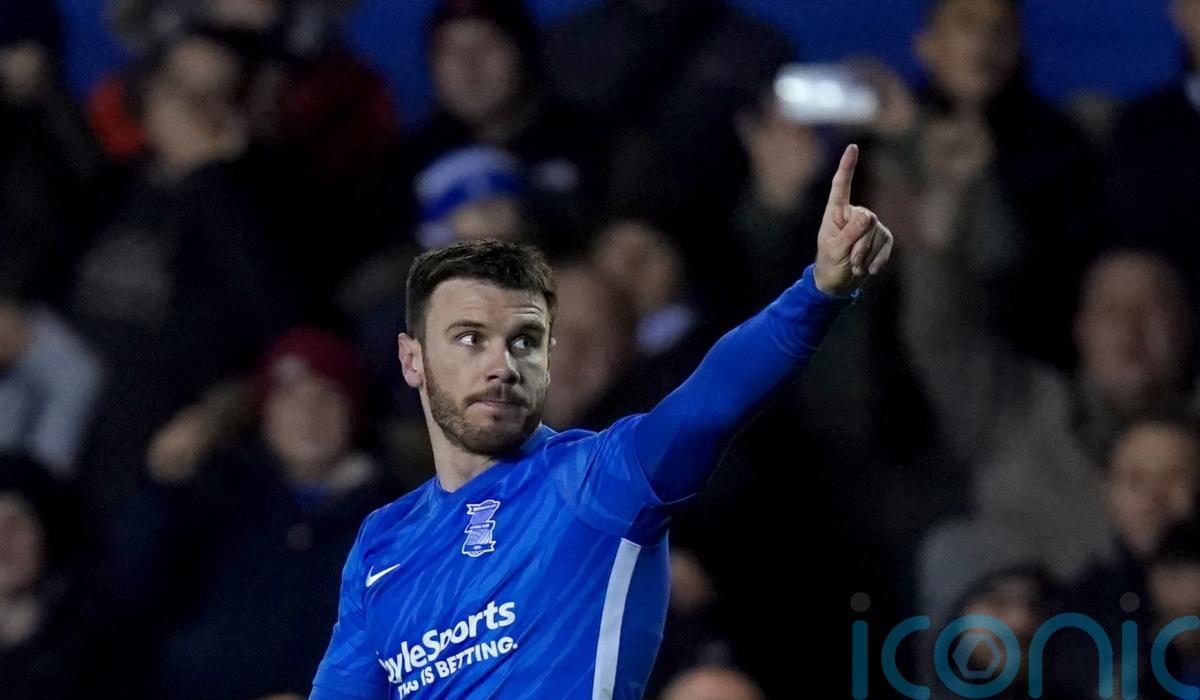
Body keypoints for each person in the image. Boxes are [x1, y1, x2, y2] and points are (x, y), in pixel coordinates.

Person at [308, 145, 893, 698]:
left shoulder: (593, 478)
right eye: (469, 339)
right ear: (413, 359)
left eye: (524, 341)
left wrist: (818, 291)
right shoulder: (381, 543)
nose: (499, 365)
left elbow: (714, 398)